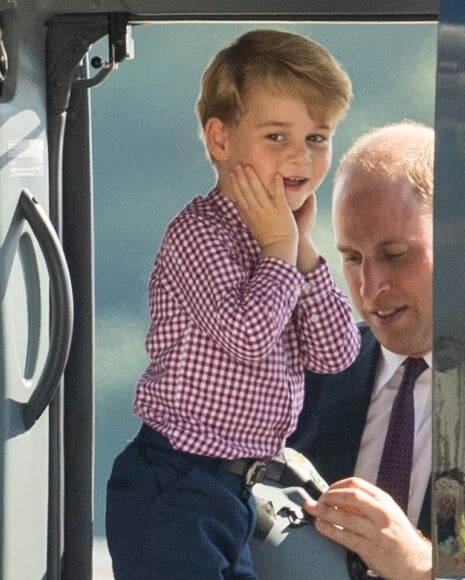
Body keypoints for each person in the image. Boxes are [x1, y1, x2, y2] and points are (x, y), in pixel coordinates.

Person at [105, 29, 361, 580]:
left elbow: (337, 353)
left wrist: (304, 252)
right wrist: (278, 249)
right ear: (220, 140)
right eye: (277, 136)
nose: (301, 155)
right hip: (172, 483)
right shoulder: (200, 233)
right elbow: (246, 336)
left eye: (318, 137)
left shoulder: (286, 245)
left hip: (236, 491)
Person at [288, 121, 435, 579]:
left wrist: (423, 567)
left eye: (395, 254)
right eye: (351, 258)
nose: (370, 288)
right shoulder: (301, 375)